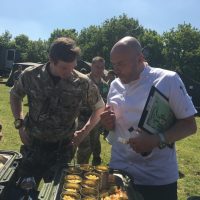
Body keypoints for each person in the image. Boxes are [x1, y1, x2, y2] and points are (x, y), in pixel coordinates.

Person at [100, 36, 197, 200]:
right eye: (113, 64)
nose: (116, 70)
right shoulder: (114, 85)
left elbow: (189, 125)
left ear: (140, 58)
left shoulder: (167, 80)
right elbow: (116, 125)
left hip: (156, 178)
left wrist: (156, 139)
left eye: (121, 64)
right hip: (119, 170)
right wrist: (108, 123)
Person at [10, 37, 105, 192]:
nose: (69, 73)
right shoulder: (31, 75)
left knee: (57, 194)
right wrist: (19, 124)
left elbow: (100, 108)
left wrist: (82, 133)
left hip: (62, 150)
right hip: (32, 146)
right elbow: (15, 95)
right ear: (51, 60)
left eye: (72, 67)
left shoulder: (82, 82)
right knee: (23, 191)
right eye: (63, 68)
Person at [77, 56, 109, 165]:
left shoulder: (105, 85)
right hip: (82, 119)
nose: (99, 69)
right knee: (84, 146)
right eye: (97, 67)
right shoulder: (83, 80)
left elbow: (105, 102)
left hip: (97, 121)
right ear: (92, 66)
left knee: (95, 142)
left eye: (102, 67)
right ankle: (81, 168)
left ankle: (96, 164)